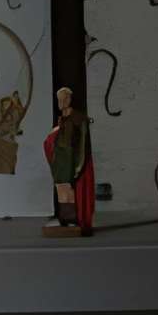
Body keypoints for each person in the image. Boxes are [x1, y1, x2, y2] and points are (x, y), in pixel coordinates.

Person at [44, 83, 96, 236]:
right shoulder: (62, 120)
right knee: (61, 188)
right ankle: (65, 218)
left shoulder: (78, 118)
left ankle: (72, 218)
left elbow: (82, 144)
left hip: (71, 159)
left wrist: (79, 166)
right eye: (59, 99)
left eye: (64, 99)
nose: (61, 102)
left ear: (69, 99)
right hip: (59, 159)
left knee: (69, 189)